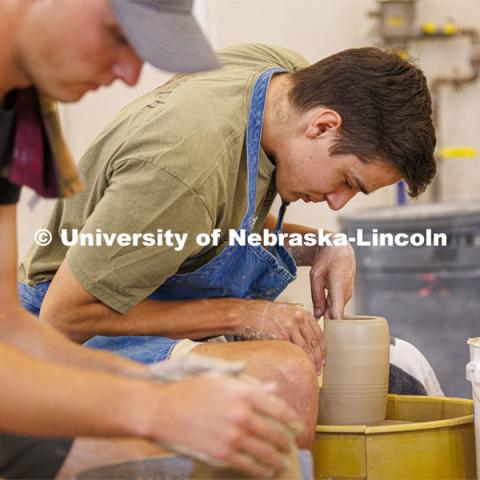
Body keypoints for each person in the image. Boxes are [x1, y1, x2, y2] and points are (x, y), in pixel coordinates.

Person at [19, 43, 436, 449]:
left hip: (146, 291)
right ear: (322, 125)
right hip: (58, 333)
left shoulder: (283, 79)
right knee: (286, 372)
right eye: (347, 181)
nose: (337, 201)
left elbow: (207, 221)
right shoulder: (183, 167)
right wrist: (246, 314)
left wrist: (325, 245)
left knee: (406, 365)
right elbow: (65, 315)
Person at [1, 2, 300, 479]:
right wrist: (151, 406)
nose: (129, 73)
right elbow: (53, 320)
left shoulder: (16, 103)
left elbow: (8, 328)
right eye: (119, 35)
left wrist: (162, 384)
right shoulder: (184, 157)